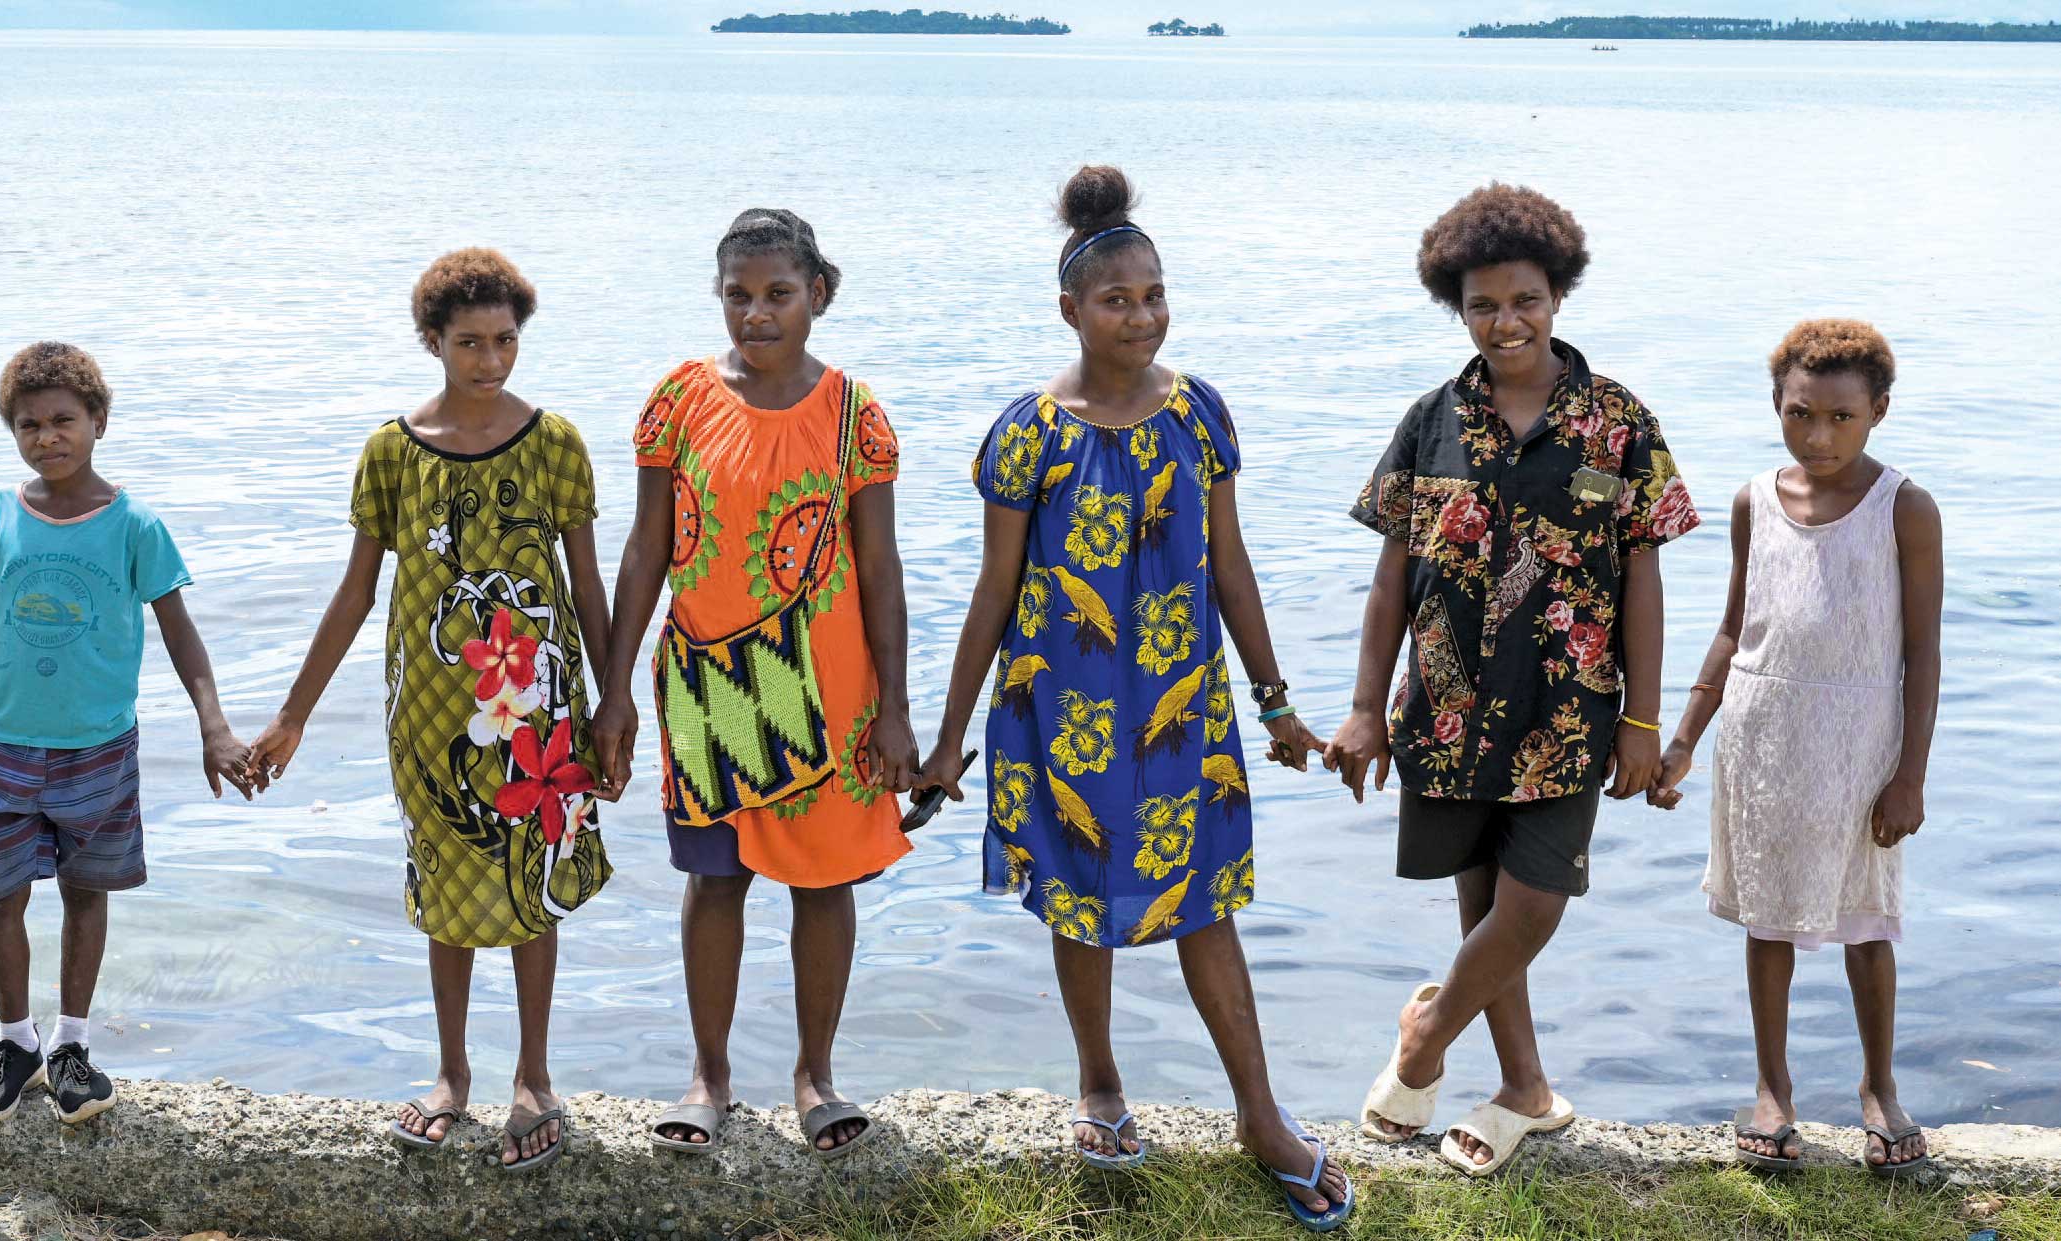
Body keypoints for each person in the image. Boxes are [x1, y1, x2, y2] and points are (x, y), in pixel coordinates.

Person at [912, 165, 1351, 1229]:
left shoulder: (1199, 414)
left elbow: (1230, 565)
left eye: (1155, 295)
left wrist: (1274, 700)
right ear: (1070, 309)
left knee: (1206, 904)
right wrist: (946, 738)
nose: (1142, 316)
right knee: (1081, 900)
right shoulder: (1029, 431)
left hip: (1180, 705)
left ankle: (1261, 1114)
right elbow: (994, 589)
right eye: (1117, 299)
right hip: (1059, 709)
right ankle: (1100, 1083)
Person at [1327, 184, 1699, 1175]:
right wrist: (1364, 709)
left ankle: (1424, 1035)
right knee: (1485, 905)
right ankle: (1526, 1089)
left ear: (1558, 294)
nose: (1506, 322)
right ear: (1456, 306)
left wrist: (1644, 718)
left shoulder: (1619, 421)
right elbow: (1391, 578)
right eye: (1483, 304)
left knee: (1532, 902)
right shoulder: (1430, 421)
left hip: (1569, 711)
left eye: (1525, 299)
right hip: (1446, 707)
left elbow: (1644, 575)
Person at [246, 249, 612, 1172]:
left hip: (539, 703)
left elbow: (588, 585)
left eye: (505, 340)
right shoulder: (391, 453)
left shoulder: (556, 444)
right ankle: (451, 1072)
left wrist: (613, 703)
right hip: (431, 709)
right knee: (445, 883)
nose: (490, 360)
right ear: (432, 342)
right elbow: (356, 591)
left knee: (532, 880)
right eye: (469, 343)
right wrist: (293, 714)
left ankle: (534, 1075)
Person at [592, 208, 917, 1159]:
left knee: (824, 880)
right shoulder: (678, 401)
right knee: (715, 875)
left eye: (779, 294)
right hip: (710, 679)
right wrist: (615, 686)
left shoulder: (855, 416)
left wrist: (897, 709)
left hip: (830, 686)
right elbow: (646, 550)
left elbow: (881, 569)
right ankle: (710, 1075)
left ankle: (816, 1073)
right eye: (738, 295)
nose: (757, 313)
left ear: (818, 294)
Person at [0, 341, 252, 1125]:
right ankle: (16, 1044)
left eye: (63, 420)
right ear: (12, 431)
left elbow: (181, 632)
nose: (47, 437)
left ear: (98, 422)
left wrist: (214, 728)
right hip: (5, 744)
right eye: (29, 425)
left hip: (100, 747)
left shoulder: (134, 524)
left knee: (87, 893)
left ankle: (72, 1046)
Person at [1650, 319, 1941, 1176]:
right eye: (1800, 413)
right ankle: (1772, 1089)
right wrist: (1682, 739)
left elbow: (1923, 650)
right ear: (1776, 405)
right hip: (1763, 736)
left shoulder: (1905, 507)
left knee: (1867, 920)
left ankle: (1879, 1086)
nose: (1819, 435)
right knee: (1768, 917)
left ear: (1878, 411)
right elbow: (1734, 628)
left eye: (1841, 417)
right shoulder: (1755, 500)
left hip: (1860, 743)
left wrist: (1911, 775)